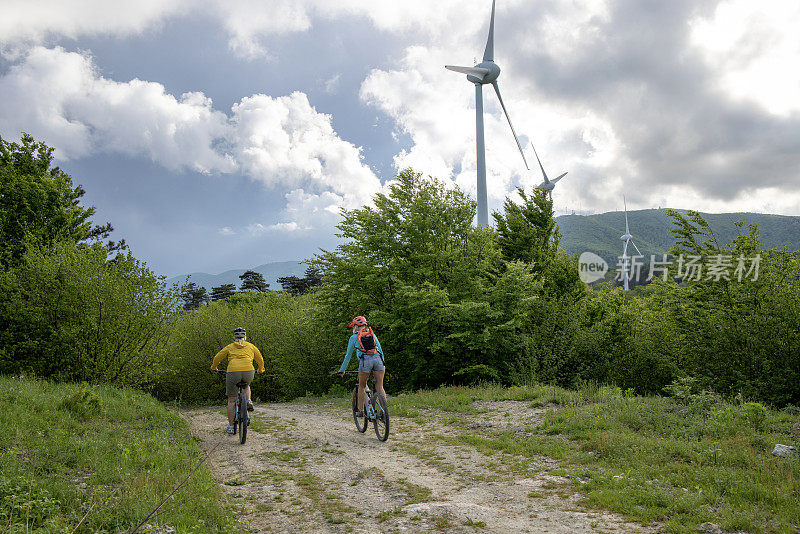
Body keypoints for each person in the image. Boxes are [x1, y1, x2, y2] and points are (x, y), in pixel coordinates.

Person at [211, 327, 265, 434]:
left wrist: (214, 368)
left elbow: (217, 357)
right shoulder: (251, 346)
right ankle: (248, 400)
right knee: (246, 385)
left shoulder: (229, 347)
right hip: (249, 371)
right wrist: (260, 369)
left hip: (233, 372)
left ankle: (231, 427)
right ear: (245, 337)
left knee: (231, 400)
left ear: (234, 337)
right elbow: (260, 358)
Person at [337, 316, 385, 417]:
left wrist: (342, 370)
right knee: (380, 386)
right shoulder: (372, 334)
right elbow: (380, 350)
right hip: (378, 361)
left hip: (365, 362)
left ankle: (361, 411)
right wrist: (382, 362)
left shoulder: (354, 337)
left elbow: (348, 355)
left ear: (355, 326)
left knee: (362, 386)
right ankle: (384, 412)